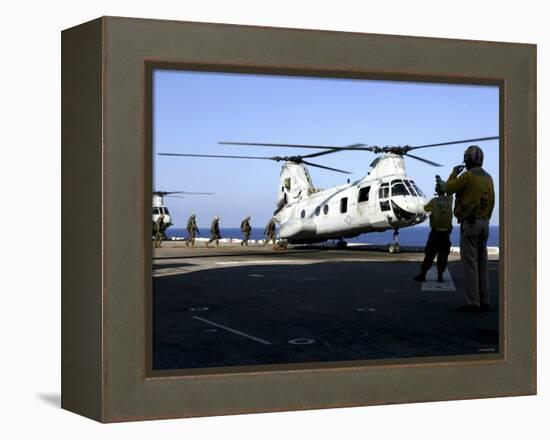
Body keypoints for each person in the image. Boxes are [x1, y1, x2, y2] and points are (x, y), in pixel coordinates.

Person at [444, 145, 495, 312]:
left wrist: (453, 173)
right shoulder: (488, 177)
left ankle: (473, 303)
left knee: (470, 265)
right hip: (484, 224)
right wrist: (485, 218)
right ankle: (484, 300)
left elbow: (449, 188)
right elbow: (492, 201)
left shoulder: (467, 176)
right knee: (482, 263)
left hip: (470, 224)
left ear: (467, 159)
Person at [414, 176, 453, 283]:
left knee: (429, 255)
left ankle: (422, 275)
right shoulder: (450, 200)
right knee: (443, 255)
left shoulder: (434, 201)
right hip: (446, 233)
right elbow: (450, 190)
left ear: (437, 190)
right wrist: (442, 182)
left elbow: (426, 208)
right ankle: (440, 276)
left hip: (435, 233)